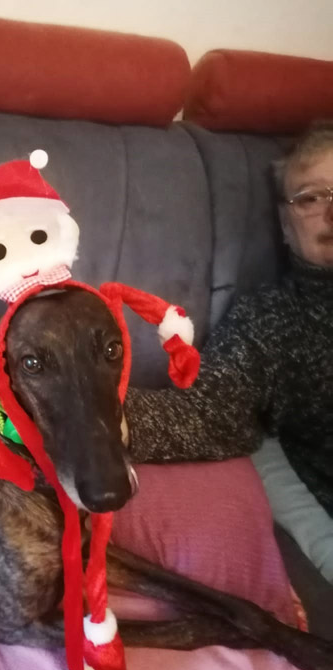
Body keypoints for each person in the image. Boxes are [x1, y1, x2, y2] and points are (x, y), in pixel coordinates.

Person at [124, 120, 333, 582]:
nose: (332, 212)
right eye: (311, 199)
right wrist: (84, 413)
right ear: (286, 227)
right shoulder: (272, 319)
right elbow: (207, 414)